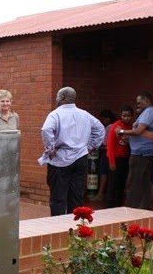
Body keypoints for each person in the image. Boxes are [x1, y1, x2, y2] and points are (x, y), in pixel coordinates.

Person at [38, 86, 105, 216]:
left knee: (58, 198)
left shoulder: (55, 114)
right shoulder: (85, 114)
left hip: (60, 160)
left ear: (62, 98)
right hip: (81, 158)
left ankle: (58, 229)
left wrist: (50, 148)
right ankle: (74, 230)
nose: (56, 99)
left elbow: (46, 130)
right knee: (76, 196)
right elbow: (100, 129)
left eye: (57, 96)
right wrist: (90, 147)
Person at [115, 90, 153, 209]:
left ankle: (131, 209)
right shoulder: (150, 112)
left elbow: (139, 131)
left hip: (140, 153)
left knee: (134, 181)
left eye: (139, 102)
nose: (138, 105)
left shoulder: (149, 111)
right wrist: (128, 138)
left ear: (146, 101)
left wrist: (122, 131)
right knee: (144, 181)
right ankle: (143, 207)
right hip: (145, 151)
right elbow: (144, 134)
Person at [106, 105, 134, 208]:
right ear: (121, 116)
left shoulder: (131, 127)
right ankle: (110, 206)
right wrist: (111, 162)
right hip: (115, 159)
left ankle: (119, 205)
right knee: (113, 184)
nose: (126, 118)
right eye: (124, 116)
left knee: (122, 184)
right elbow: (110, 145)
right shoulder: (116, 126)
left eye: (128, 116)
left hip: (125, 159)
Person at [94, 109, 117, 202]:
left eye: (103, 119)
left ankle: (100, 194)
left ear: (107, 119)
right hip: (113, 153)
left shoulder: (108, 127)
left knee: (103, 173)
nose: (102, 122)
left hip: (106, 152)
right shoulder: (116, 126)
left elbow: (104, 142)